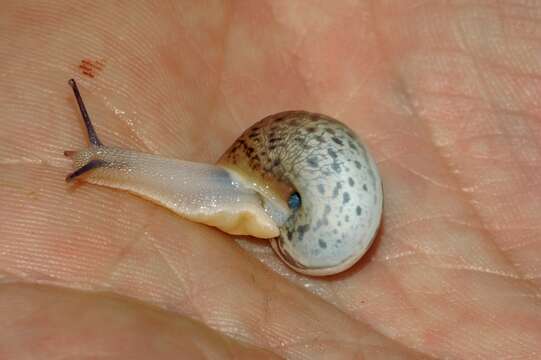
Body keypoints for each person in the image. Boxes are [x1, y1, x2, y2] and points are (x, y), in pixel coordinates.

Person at [0, 1, 540, 358]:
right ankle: (106, 160)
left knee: (203, 180)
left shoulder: (283, 213)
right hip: (311, 205)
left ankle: (107, 161)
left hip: (317, 222)